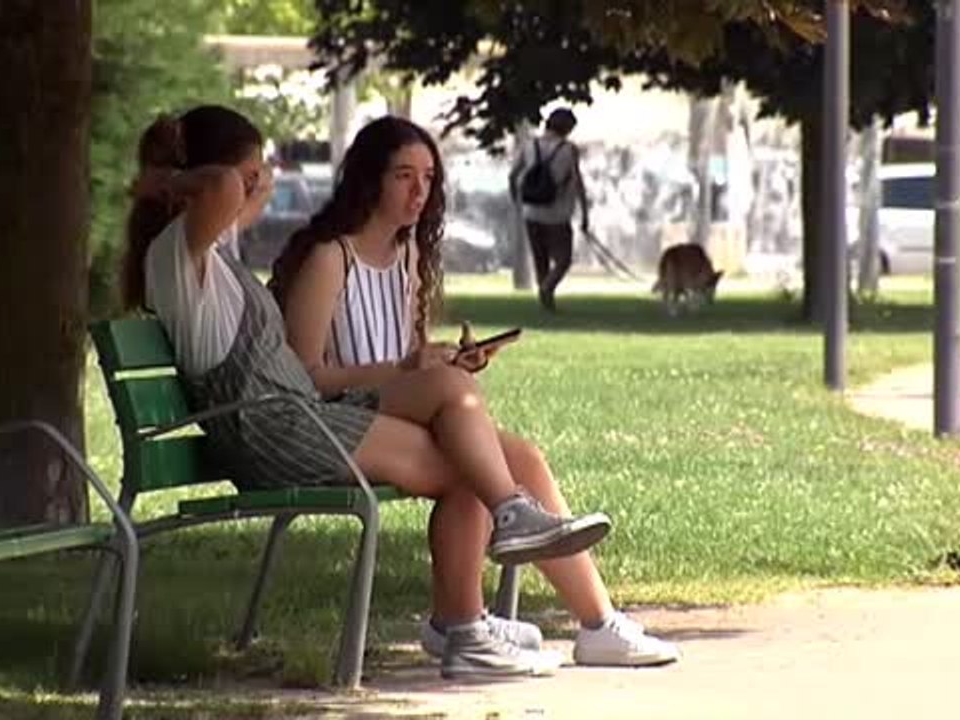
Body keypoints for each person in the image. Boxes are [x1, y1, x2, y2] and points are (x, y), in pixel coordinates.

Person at [120, 105, 618, 679]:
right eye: (254, 172)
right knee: (469, 466)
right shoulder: (178, 257)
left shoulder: (206, 258)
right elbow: (225, 188)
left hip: (291, 418)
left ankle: (503, 540)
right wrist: (172, 180)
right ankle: (463, 624)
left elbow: (227, 192)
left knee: (459, 405)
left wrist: (424, 363)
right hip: (273, 429)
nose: (260, 183)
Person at [270, 115, 681, 668]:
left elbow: (410, 362)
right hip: (335, 420)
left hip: (401, 411)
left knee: (520, 456)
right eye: (403, 176)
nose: (420, 191)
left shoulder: (408, 257)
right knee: (477, 462)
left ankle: (597, 623)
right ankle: (471, 604)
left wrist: (440, 360)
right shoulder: (329, 258)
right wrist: (408, 368)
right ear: (370, 180)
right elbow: (306, 376)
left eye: (429, 178)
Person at [508, 107, 591, 312]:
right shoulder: (569, 149)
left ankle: (546, 298)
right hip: (558, 213)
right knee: (564, 259)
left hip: (531, 212)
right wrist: (585, 212)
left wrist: (517, 202)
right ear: (567, 128)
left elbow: (513, 176)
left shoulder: (530, 145)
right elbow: (577, 182)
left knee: (540, 258)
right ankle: (547, 290)